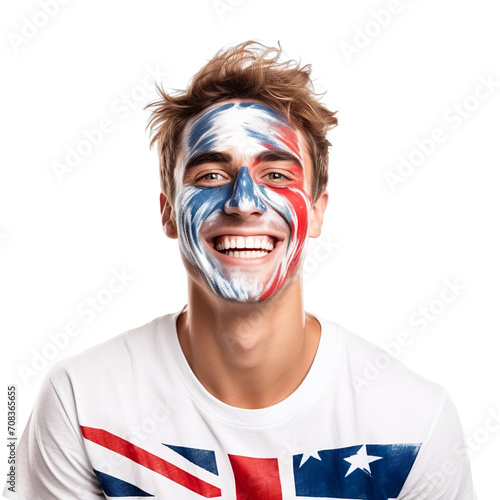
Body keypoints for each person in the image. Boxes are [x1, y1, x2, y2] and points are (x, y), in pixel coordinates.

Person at [6, 41, 475, 499]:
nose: (243, 202)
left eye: (276, 175)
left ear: (315, 213)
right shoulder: (81, 402)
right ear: (169, 213)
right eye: (211, 174)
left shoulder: (415, 422)